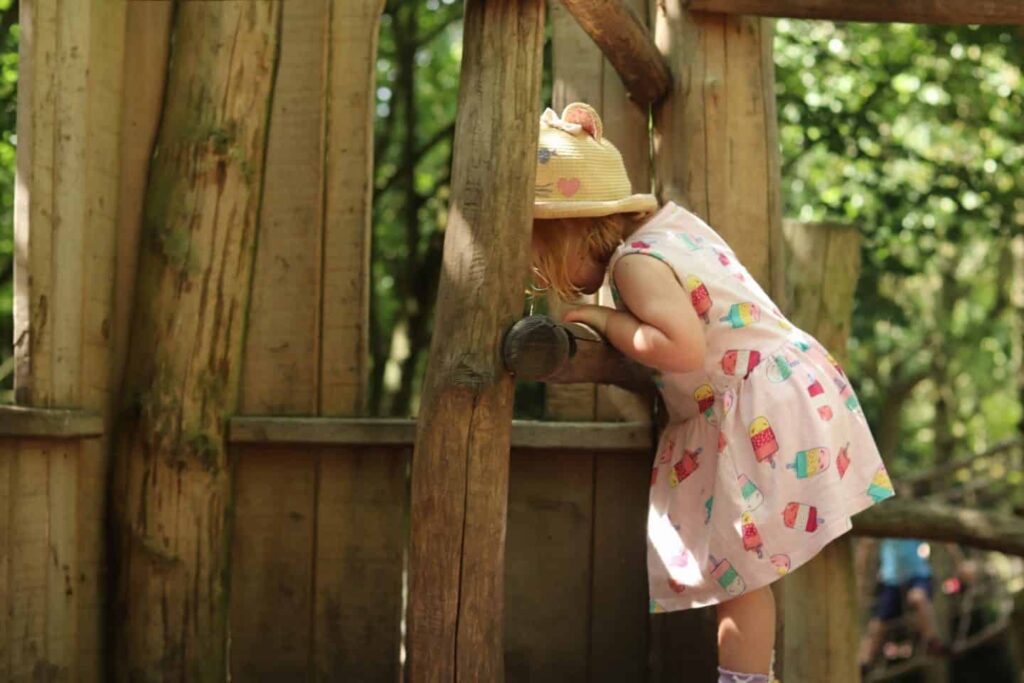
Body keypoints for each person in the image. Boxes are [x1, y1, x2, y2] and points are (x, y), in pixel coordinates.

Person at [530, 102, 896, 683]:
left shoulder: (634, 265)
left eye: (547, 262)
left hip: (755, 407)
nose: (551, 280)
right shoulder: (672, 232)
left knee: (740, 580)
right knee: (746, 578)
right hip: (779, 393)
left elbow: (679, 349)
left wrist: (602, 322)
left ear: (577, 231)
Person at [858, 538, 949, 676]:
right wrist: (861, 578)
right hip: (891, 581)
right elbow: (866, 545)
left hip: (918, 576)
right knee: (878, 625)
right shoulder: (883, 528)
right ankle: (864, 664)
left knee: (917, 598)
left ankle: (931, 641)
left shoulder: (911, 524)